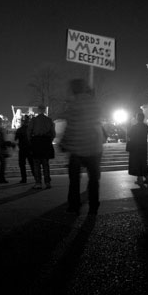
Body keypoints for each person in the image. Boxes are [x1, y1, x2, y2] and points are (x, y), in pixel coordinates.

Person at [60, 79, 104, 215]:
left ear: (74, 89)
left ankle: (74, 206)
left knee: (74, 181)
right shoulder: (94, 103)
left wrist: (64, 143)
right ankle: (94, 205)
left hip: (77, 148)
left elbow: (70, 126)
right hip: (93, 147)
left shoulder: (73, 104)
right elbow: (97, 122)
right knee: (94, 179)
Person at [28, 105, 56, 189]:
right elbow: (53, 133)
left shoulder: (34, 120)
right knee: (45, 163)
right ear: (44, 110)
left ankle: (38, 183)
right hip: (46, 142)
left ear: (38, 110)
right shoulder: (49, 120)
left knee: (36, 164)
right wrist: (49, 140)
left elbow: (29, 132)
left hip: (36, 142)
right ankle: (47, 182)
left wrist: (31, 142)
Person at [127, 112, 148, 186]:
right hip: (143, 147)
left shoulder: (134, 127)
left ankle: (140, 180)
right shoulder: (146, 126)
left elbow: (129, 135)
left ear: (137, 118)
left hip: (136, 148)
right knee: (144, 163)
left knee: (137, 163)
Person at [15, 115, 34, 183]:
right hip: (30, 149)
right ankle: (36, 177)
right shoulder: (31, 130)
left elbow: (15, 139)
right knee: (32, 164)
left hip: (22, 149)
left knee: (22, 164)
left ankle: (24, 178)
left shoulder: (19, 130)